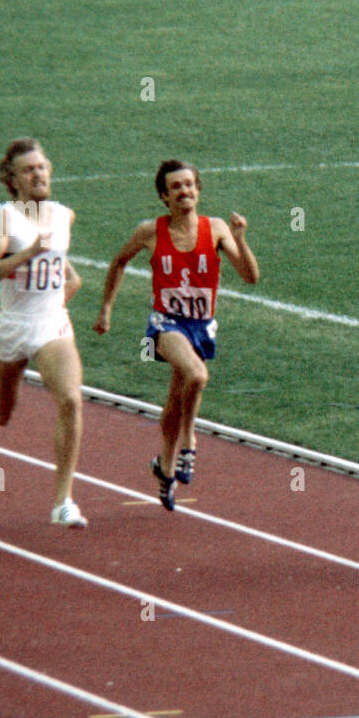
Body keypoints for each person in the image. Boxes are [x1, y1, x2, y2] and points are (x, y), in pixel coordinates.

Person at [93, 160, 259, 510]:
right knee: (197, 375)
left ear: (198, 189)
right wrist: (107, 307)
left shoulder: (214, 229)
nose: (184, 191)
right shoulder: (149, 232)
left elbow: (250, 276)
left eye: (189, 185)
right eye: (176, 187)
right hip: (163, 325)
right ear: (164, 196)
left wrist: (241, 241)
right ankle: (189, 443)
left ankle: (164, 468)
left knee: (177, 397)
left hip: (201, 327)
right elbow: (119, 261)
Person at [0, 138, 87, 528]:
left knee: (70, 399)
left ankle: (63, 502)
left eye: (42, 166)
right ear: (13, 180)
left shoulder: (63, 215)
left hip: (51, 322)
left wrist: (67, 283)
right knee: (4, 412)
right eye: (28, 169)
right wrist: (28, 254)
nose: (38, 174)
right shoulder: (5, 219)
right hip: (12, 326)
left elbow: (63, 265)